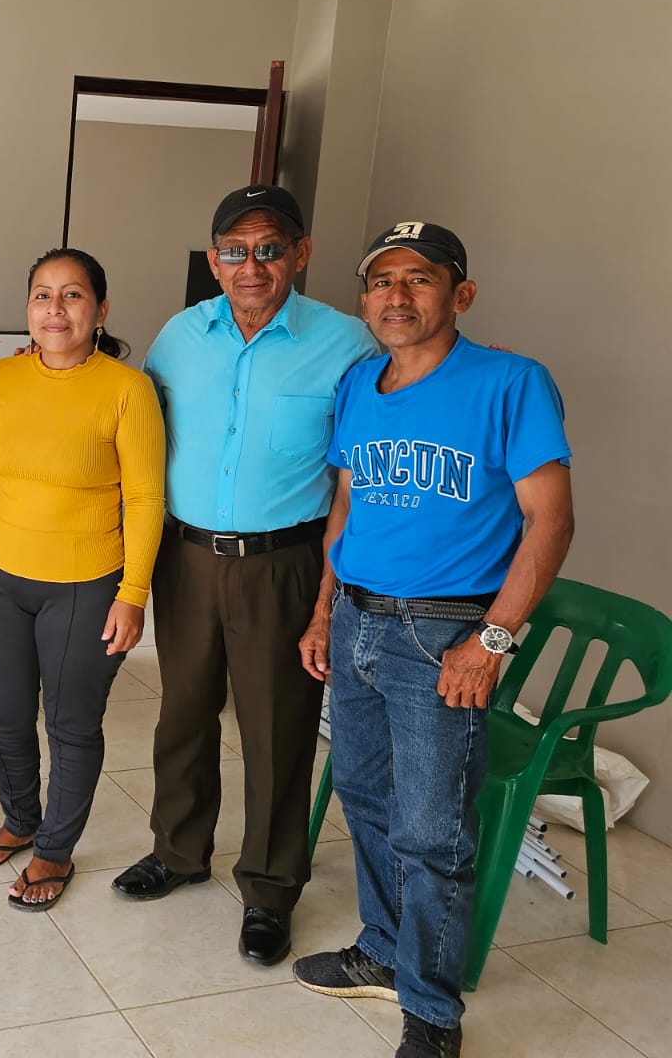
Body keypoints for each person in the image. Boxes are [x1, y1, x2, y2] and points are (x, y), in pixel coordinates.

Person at [293, 223, 573, 1058]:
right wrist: (323, 611)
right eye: (381, 280)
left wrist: (492, 642)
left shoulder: (511, 382)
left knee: (434, 831)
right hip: (357, 620)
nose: (397, 294)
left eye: (419, 278)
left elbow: (550, 522)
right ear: (364, 299)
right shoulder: (359, 383)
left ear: (462, 294)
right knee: (366, 799)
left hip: (444, 631)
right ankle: (383, 949)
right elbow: (347, 506)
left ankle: (432, 1012)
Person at [111, 185, 379, 965]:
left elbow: (358, 477)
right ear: (213, 258)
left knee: (277, 730)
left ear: (300, 254)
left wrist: (329, 598)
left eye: (270, 249)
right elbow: (136, 431)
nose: (251, 265)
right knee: (183, 714)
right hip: (187, 558)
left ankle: (270, 888)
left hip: (283, 564)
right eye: (235, 250)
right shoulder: (179, 336)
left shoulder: (347, 344)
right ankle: (179, 851)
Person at [0, 248, 164, 910]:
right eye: (42, 295)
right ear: (28, 309)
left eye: (72, 295)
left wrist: (133, 595)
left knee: (71, 724)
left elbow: (145, 499)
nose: (56, 308)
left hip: (86, 584)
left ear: (100, 311)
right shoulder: (2, 378)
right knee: (3, 713)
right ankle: (20, 819)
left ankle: (54, 848)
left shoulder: (127, 390)